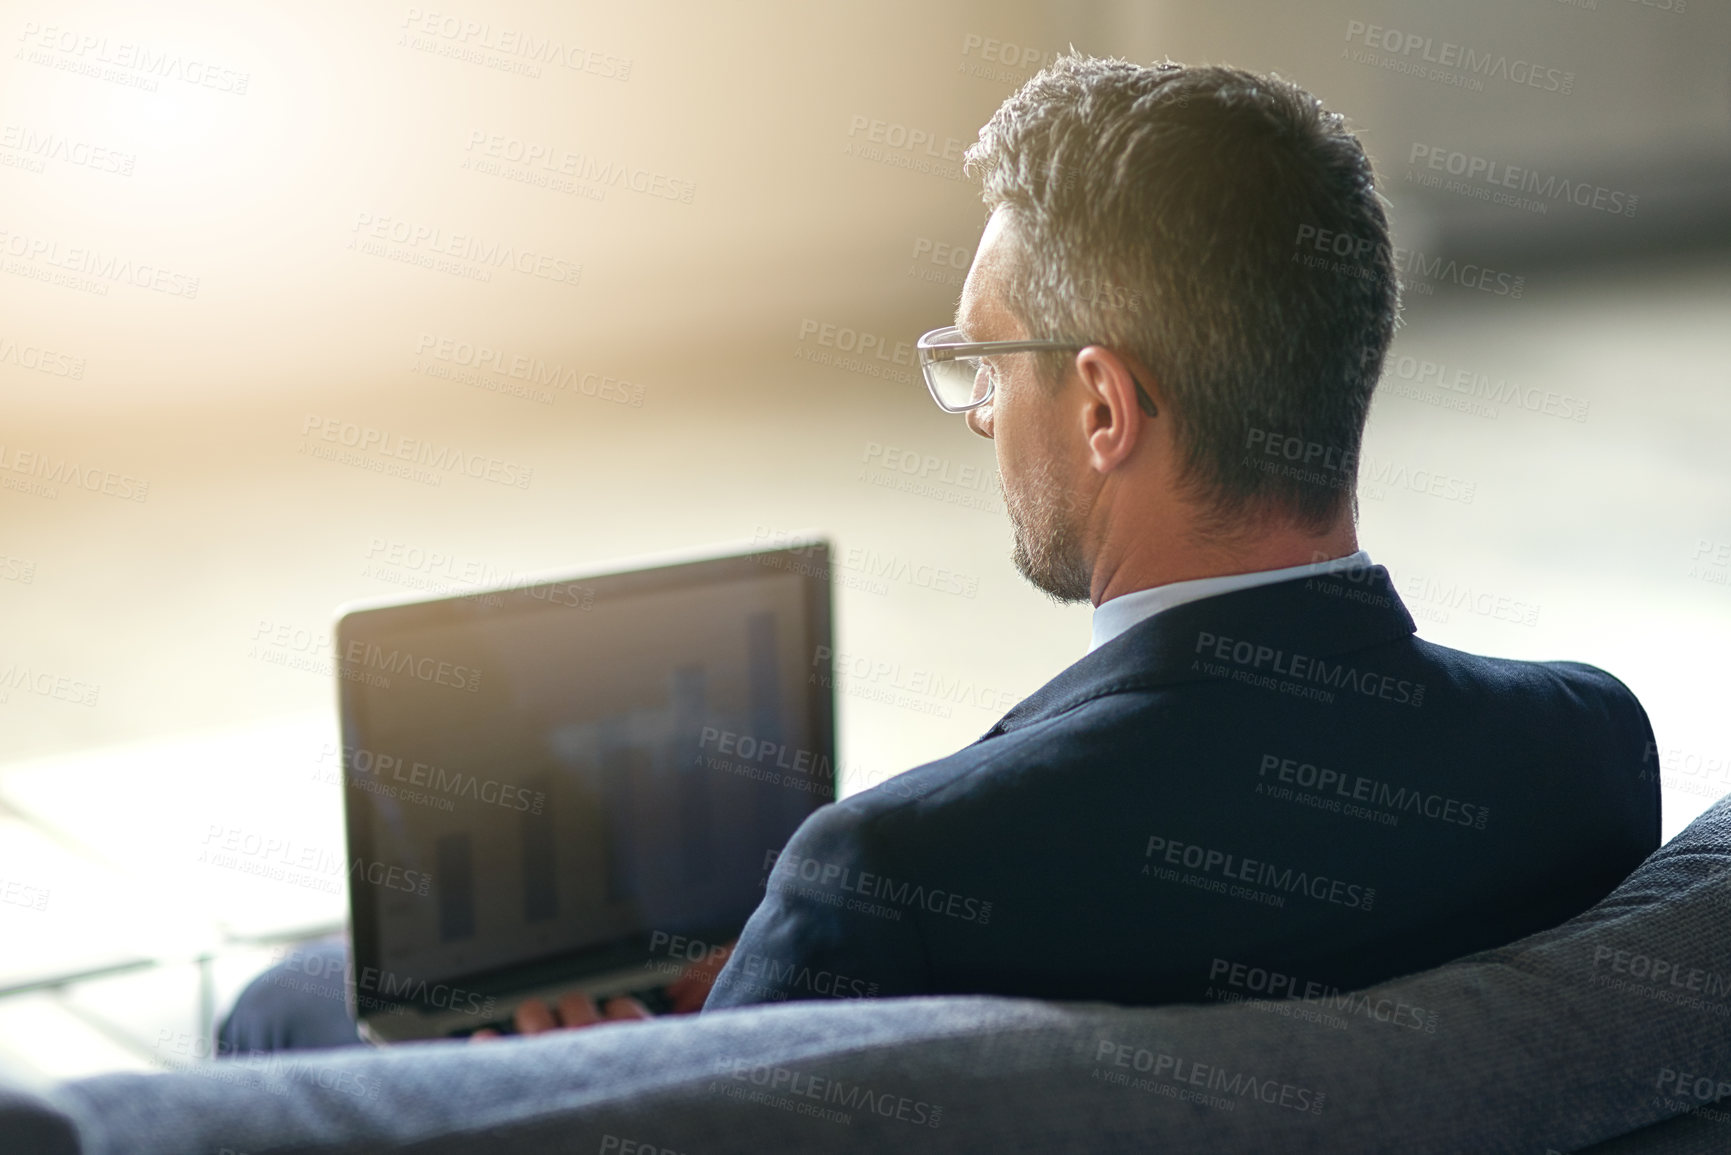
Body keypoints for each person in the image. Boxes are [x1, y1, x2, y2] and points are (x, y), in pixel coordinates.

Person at [220, 53, 1657, 1048]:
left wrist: (601, 1043)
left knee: (289, 1003)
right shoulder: (1588, 747)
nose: (977, 417)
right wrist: (787, 967)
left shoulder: (892, 878)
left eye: (987, 363)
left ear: (1102, 404)